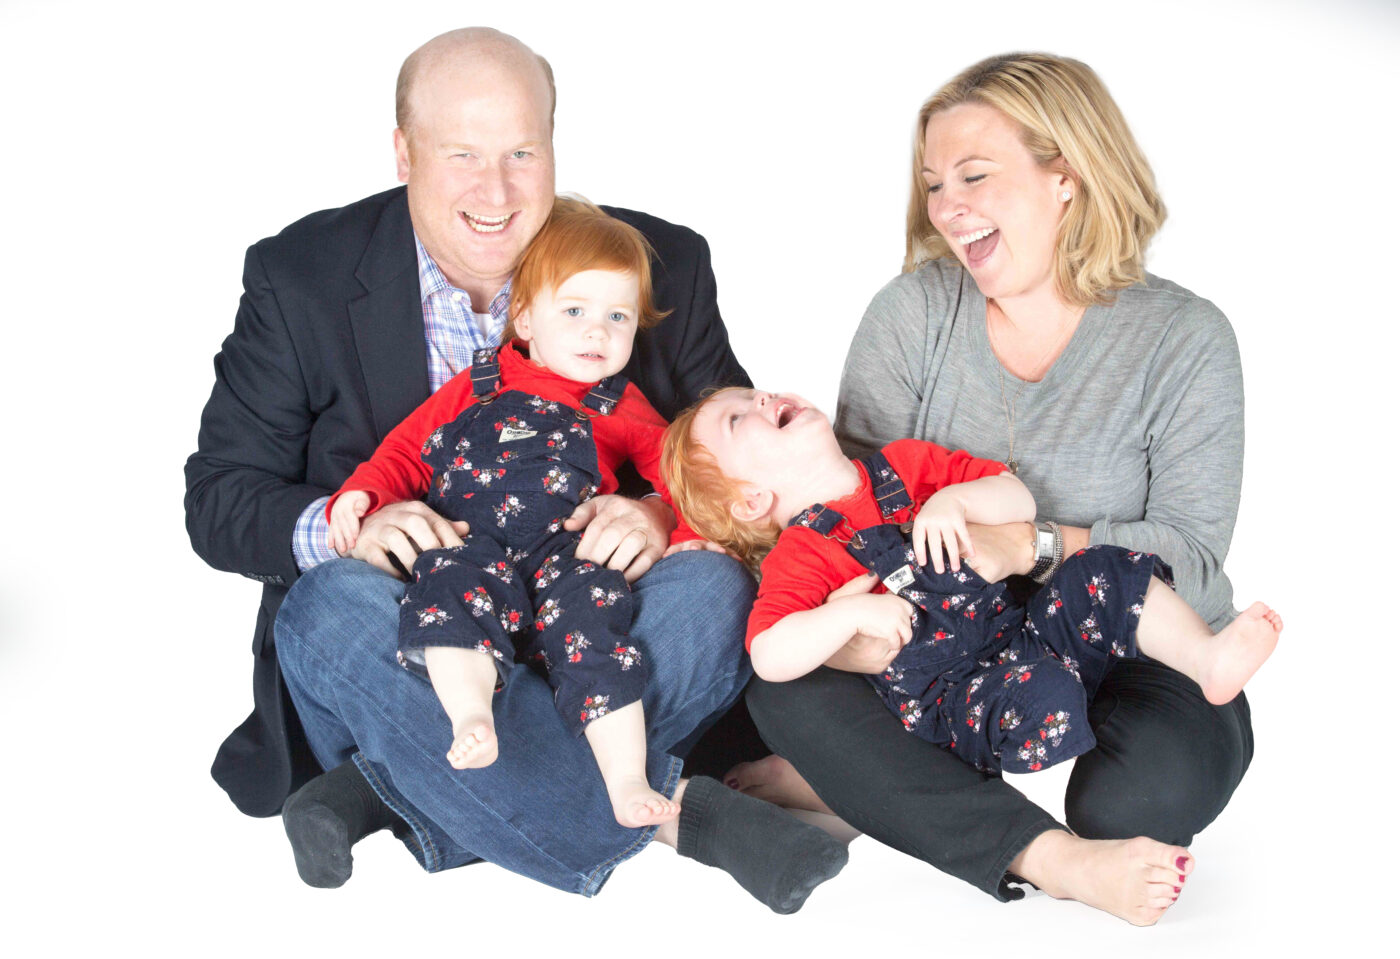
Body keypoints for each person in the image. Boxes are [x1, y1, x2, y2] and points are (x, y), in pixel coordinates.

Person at [186, 27, 843, 912]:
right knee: (324, 605)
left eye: (521, 152)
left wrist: (659, 511)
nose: (494, 192)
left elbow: (748, 476)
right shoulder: (297, 277)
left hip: (593, 613)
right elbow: (220, 497)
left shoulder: (656, 263)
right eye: (461, 153)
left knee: (719, 592)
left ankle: (398, 797)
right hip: (420, 624)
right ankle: (684, 818)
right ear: (403, 152)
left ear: (554, 146)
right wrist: (355, 521)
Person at [727, 52, 1259, 927]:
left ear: (1068, 177)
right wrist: (858, 637)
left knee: (1136, 805)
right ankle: (1044, 857)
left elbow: (1194, 558)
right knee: (784, 688)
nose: (946, 206)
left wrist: (1034, 544)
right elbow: (847, 512)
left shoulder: (1185, 338)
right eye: (934, 183)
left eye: (975, 175)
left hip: (1127, 636)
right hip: (944, 650)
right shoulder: (913, 313)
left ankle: (882, 792)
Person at [663, 387, 1279, 782]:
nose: (764, 396)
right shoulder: (804, 553)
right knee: (1038, 697)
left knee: (1103, 567)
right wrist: (845, 619)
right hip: (965, 695)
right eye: (739, 418)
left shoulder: (903, 464)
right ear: (751, 500)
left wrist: (954, 501)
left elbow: (1018, 495)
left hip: (1024, 631)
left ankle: (1207, 658)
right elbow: (769, 654)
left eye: (754, 391)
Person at [329, 197, 689, 827]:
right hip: (474, 545)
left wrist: (672, 524)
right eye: (574, 310)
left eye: (617, 317)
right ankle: (472, 712)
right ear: (524, 315)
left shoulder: (619, 404)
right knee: (444, 591)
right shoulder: (479, 383)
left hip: (565, 559)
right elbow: (408, 452)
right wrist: (362, 495)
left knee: (598, 623)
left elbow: (682, 478)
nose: (596, 332)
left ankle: (627, 778)